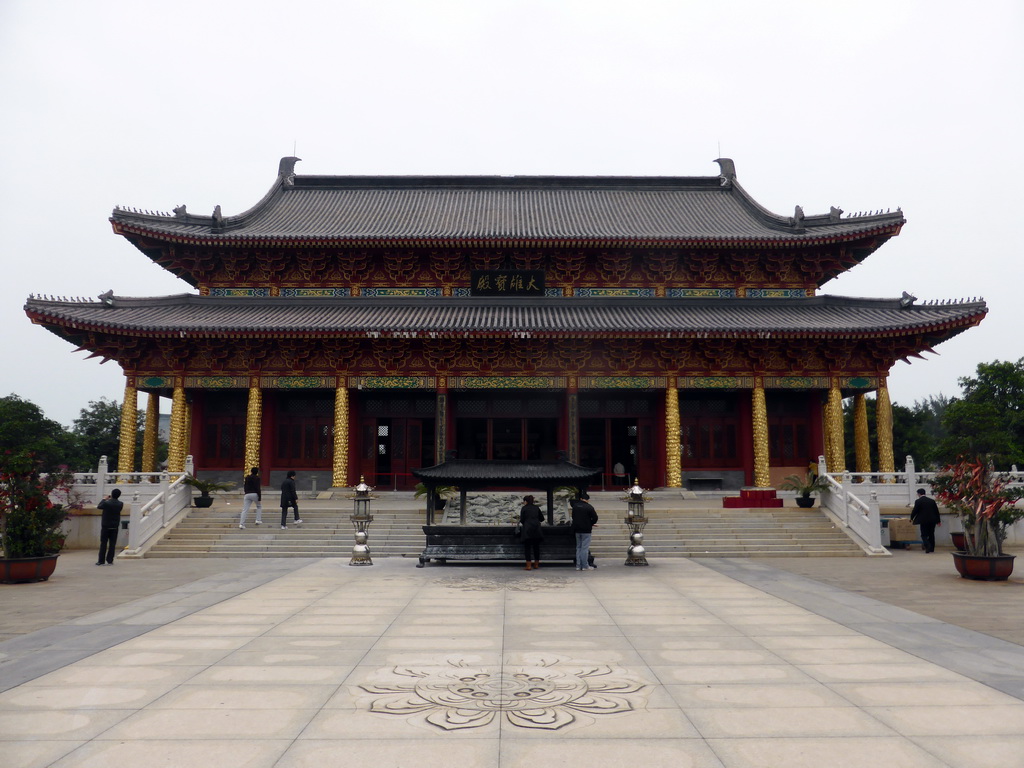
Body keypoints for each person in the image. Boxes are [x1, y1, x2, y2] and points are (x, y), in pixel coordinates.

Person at [569, 491, 598, 571]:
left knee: (578, 547)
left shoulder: (575, 506)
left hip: (577, 529)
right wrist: (591, 523)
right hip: (586, 530)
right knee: (584, 548)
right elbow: (595, 518)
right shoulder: (589, 507)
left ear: (581, 499)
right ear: (587, 500)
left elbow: (573, 517)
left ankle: (578, 565)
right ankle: (585, 565)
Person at [96, 488, 124, 565]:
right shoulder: (120, 504)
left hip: (106, 526)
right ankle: (110, 560)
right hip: (115, 526)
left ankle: (101, 560)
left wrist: (104, 499)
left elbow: (99, 506)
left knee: (103, 543)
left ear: (111, 494)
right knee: (112, 544)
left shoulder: (106, 503)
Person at [910, 487, 941, 553]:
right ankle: (932, 548)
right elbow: (936, 511)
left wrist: (911, 518)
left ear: (918, 494)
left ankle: (927, 546)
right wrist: (938, 521)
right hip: (932, 520)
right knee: (931, 534)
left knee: (924, 534)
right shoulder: (932, 501)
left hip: (923, 520)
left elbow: (915, 510)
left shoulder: (918, 501)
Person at [520, 494, 544, 570]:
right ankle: (536, 564)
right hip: (537, 529)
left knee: (527, 548)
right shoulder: (536, 508)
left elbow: (522, 519)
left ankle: (528, 565)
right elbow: (542, 518)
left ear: (525, 501)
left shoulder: (524, 508)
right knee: (536, 547)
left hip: (527, 530)